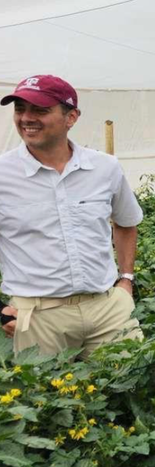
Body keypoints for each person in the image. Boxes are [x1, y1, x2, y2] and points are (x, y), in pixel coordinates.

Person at [0, 75, 143, 359]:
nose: (26, 118)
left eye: (40, 110)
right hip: (37, 317)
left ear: (71, 117)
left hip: (108, 309)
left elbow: (126, 222)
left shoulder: (105, 167)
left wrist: (126, 279)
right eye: (20, 109)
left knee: (133, 388)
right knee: (44, 401)